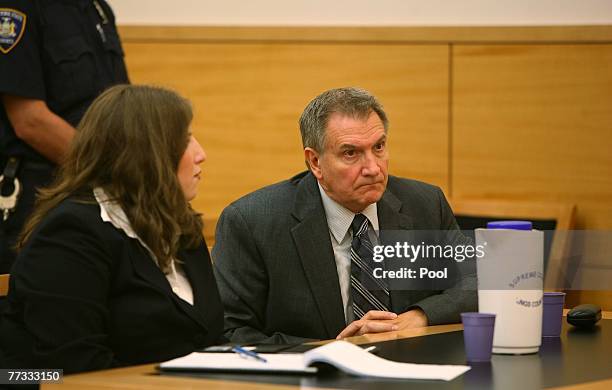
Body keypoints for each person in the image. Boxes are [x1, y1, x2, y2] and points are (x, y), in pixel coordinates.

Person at [213, 87, 477, 344]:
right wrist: (333, 351)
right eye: (351, 153)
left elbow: (480, 280)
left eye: (379, 147)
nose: (373, 168)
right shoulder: (252, 222)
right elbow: (231, 332)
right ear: (315, 162)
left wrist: (420, 317)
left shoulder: (424, 204)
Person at [0, 85, 225, 373]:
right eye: (185, 140)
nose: (201, 154)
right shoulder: (70, 235)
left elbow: (210, 339)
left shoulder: (181, 225)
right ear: (146, 153)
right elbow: (73, 366)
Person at [0, 0, 129, 274]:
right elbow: (29, 120)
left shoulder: (98, 8)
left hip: (99, 194)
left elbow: (123, 105)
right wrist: (111, 169)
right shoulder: (17, 6)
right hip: (39, 196)